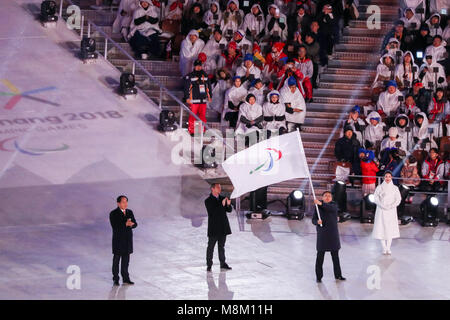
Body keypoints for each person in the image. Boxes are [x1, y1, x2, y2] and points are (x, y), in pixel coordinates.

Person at [312, 192, 346, 283]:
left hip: (332, 235)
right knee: (320, 257)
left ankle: (338, 275)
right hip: (322, 234)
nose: (327, 197)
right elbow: (313, 219)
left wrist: (320, 203)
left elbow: (331, 209)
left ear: (331, 198)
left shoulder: (333, 205)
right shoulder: (317, 207)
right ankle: (319, 276)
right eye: (325, 196)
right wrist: (317, 222)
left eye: (329, 196)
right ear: (322, 197)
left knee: (335, 256)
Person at [110, 195, 137, 286]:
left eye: (126, 202)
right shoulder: (113, 213)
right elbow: (115, 226)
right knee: (116, 261)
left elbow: (135, 224)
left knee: (126, 261)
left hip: (127, 240)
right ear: (118, 203)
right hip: (118, 241)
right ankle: (116, 279)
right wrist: (125, 224)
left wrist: (132, 224)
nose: (125, 204)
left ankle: (126, 278)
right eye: (123, 202)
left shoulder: (130, 212)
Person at [372, 171, 401, 255]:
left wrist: (392, 206)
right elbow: (375, 198)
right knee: (381, 228)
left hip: (391, 211)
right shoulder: (379, 187)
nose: (387, 178)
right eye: (386, 176)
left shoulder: (395, 188)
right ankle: (384, 248)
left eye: (389, 176)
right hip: (381, 210)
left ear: (391, 177)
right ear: (384, 178)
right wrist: (382, 205)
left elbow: (398, 199)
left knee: (390, 229)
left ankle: (388, 248)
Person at [205, 183, 233, 271]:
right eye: (218, 187)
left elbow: (229, 210)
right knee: (211, 247)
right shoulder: (208, 200)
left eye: (220, 187)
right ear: (212, 189)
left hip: (223, 227)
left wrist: (228, 205)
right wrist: (222, 205)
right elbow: (212, 212)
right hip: (214, 228)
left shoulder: (222, 198)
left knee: (221, 246)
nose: (219, 189)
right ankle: (209, 264)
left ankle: (223, 263)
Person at [184, 59, 212, 135]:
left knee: (202, 116)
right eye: (197, 66)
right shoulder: (190, 76)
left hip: (203, 100)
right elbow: (186, 88)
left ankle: (201, 131)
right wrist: (187, 98)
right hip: (193, 100)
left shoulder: (205, 75)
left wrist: (210, 96)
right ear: (194, 66)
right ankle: (192, 131)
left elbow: (208, 86)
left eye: (200, 66)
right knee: (192, 116)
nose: (198, 67)